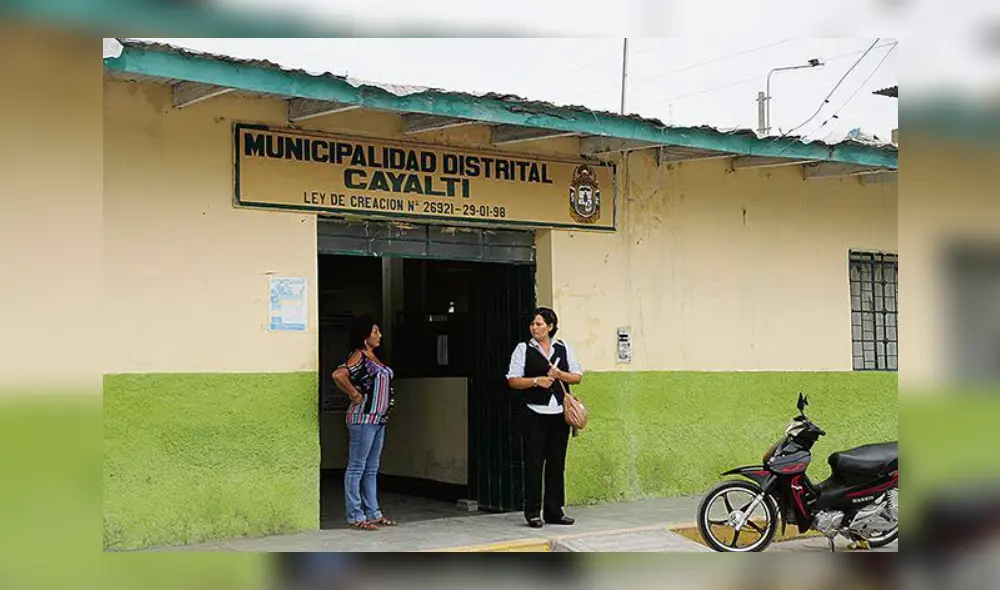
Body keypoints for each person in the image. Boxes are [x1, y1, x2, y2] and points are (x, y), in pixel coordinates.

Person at [506, 307, 584, 528]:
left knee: (557, 463)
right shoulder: (523, 349)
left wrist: (560, 375)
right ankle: (532, 512)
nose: (534, 327)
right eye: (532, 324)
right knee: (533, 463)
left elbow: (577, 377)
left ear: (550, 327)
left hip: (559, 413)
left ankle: (554, 510)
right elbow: (512, 380)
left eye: (539, 324)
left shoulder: (563, 348)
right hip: (534, 412)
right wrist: (535, 381)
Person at [332, 314, 398, 531]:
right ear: (364, 334)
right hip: (363, 418)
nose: (379, 335)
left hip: (379, 419)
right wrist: (354, 394)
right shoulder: (359, 356)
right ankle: (355, 515)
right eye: (375, 331)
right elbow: (339, 375)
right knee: (357, 467)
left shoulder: (374, 356)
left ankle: (373, 513)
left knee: (371, 468)